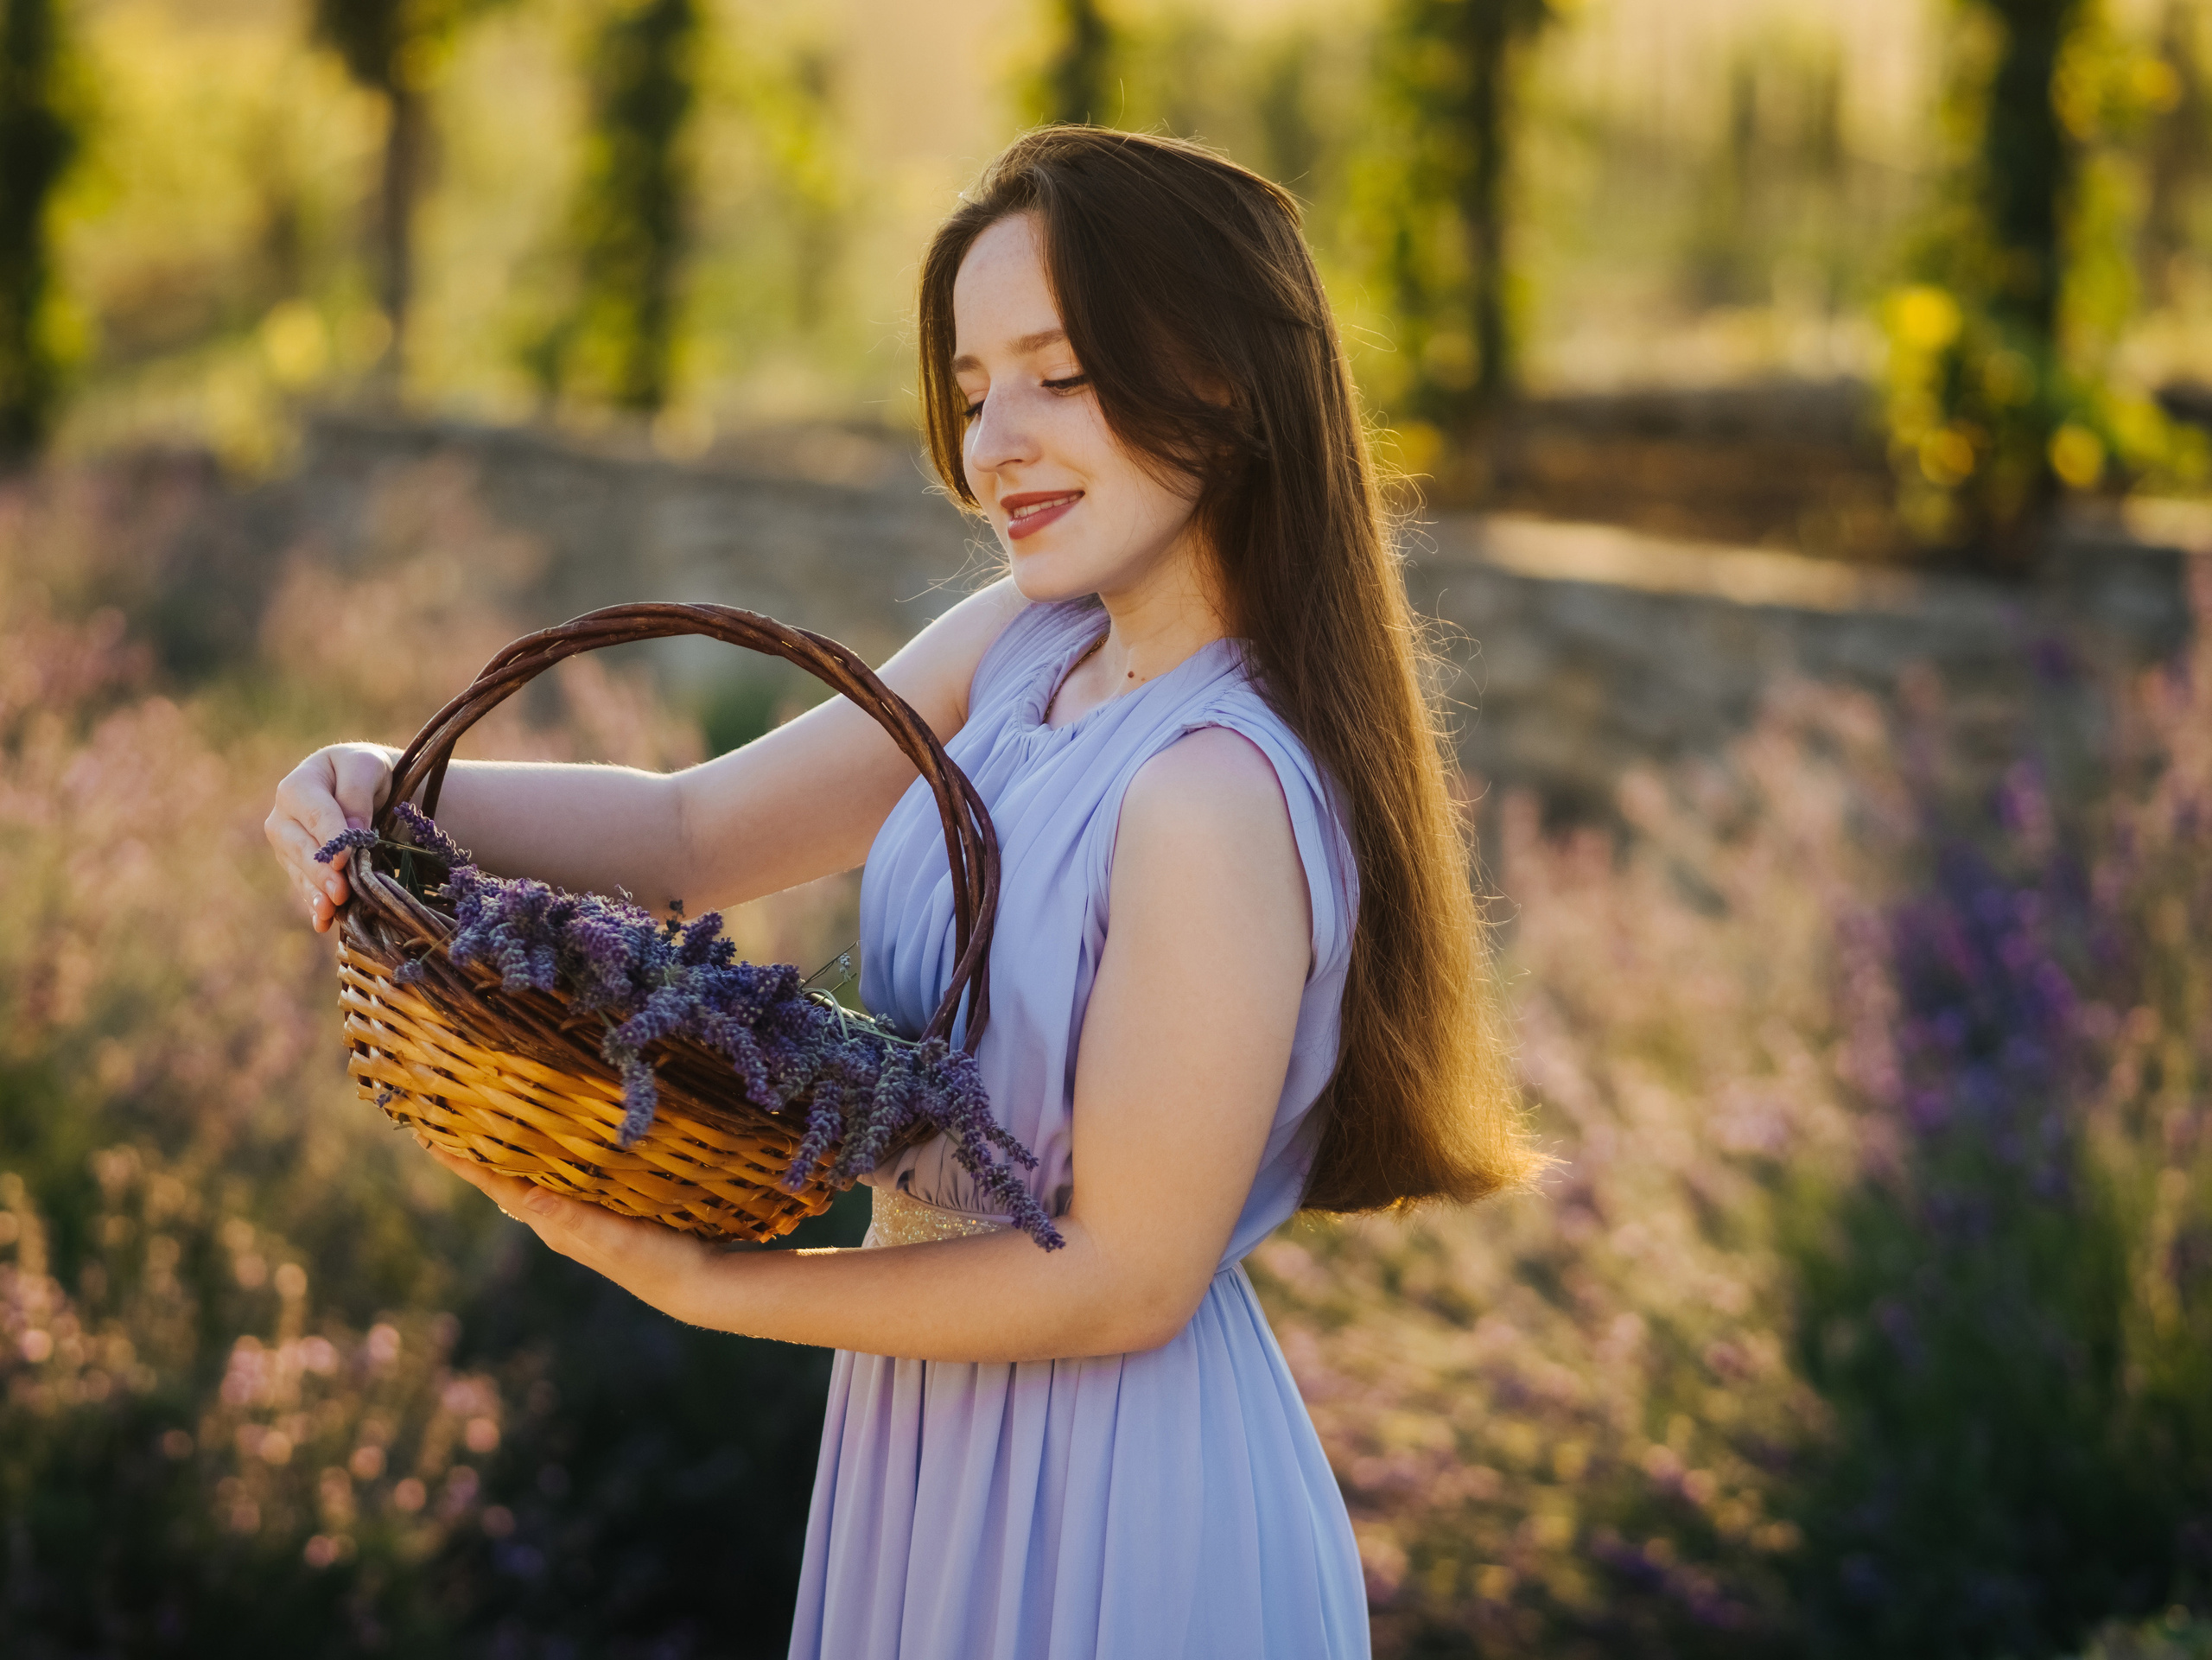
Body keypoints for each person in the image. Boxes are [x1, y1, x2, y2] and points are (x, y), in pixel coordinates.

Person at [264, 126, 1535, 1660]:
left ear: (1223, 383)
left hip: (1117, 1501)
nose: (994, 442)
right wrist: (384, 779)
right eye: (974, 384)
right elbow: (690, 835)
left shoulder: (1210, 788)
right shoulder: (1024, 645)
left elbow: (1128, 1279)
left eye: (1058, 374)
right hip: (926, 1432)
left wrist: (715, 1284)